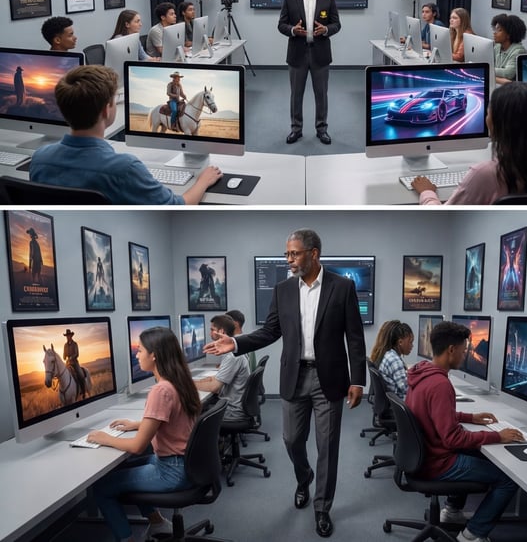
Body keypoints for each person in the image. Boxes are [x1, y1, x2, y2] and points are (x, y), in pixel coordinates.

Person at [203, 228, 366, 538]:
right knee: (292, 440)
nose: (289, 259)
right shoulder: (282, 290)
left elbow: (354, 338)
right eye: (287, 254)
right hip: (294, 376)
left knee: (328, 447)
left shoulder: (342, 287)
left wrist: (358, 379)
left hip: (330, 379)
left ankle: (322, 508)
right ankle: (304, 478)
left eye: (294, 253)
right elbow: (269, 332)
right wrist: (235, 343)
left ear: (314, 253)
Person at [29, 66, 221, 204]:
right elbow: (177, 205)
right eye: (114, 102)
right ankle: (173, 123)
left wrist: (183, 97)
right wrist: (203, 181)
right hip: (172, 102)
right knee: (173, 108)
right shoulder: (125, 169)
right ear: (107, 110)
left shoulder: (39, 159)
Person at [406, 321, 521, 542]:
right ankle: (473, 534)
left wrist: (470, 417)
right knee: (509, 478)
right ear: (451, 350)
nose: (465, 354)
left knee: (475, 452)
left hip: (422, 456)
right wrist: (498, 436)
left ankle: (452, 511)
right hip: (437, 463)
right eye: (463, 349)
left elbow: (431, 414)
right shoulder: (440, 384)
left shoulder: (421, 373)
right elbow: (453, 439)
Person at [86, 326, 202, 542]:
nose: (136, 355)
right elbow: (173, 420)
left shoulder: (161, 390)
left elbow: (137, 447)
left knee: (101, 487)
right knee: (127, 467)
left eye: (140, 350)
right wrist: (138, 424)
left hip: (172, 470)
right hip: (186, 464)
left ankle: (128, 539)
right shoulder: (180, 381)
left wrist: (105, 438)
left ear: (154, 355)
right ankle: (157, 523)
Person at [412, 82, 527, 204]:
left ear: (500, 124)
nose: (486, 118)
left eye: (489, 113)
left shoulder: (487, 174)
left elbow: (443, 217)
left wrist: (427, 192)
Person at [278, 0, 341, 145]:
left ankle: (322, 129)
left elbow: (337, 24)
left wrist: (327, 29)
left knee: (321, 95)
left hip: (320, 54)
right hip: (297, 54)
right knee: (296, 95)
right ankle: (296, 129)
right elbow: (281, 25)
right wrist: (292, 30)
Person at [194, 314, 251, 424]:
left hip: (231, 412)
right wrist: (194, 381)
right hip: (233, 406)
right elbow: (217, 379)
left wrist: (186, 384)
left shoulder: (232, 356)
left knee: (191, 418)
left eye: (212, 329)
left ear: (221, 332)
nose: (209, 333)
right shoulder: (232, 352)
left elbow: (215, 387)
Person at [370, 320, 414, 401]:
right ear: (400, 342)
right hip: (400, 402)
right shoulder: (394, 360)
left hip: (391, 401)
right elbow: (406, 389)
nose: (412, 345)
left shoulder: (387, 354)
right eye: (410, 342)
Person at [491, 13, 527, 84]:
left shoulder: (519, 51)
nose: (494, 33)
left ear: (509, 34)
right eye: (495, 29)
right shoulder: (497, 46)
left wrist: (486, 69)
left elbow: (508, 73)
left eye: (499, 30)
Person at [62, 328, 86, 394]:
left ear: (71, 336)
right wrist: (64, 356)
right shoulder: (65, 345)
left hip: (75, 363)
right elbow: (64, 355)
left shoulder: (75, 344)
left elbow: (77, 354)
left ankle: (83, 392)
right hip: (67, 364)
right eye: (66, 336)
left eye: (68, 336)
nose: (67, 337)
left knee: (80, 375)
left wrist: (71, 357)